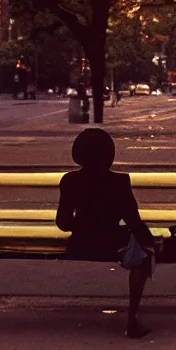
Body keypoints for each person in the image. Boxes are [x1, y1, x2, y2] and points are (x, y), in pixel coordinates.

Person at [56, 128, 156, 338]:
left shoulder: (69, 180)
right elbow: (134, 222)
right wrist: (151, 241)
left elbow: (63, 223)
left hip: (80, 244)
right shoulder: (119, 182)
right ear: (109, 155)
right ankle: (131, 320)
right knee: (143, 260)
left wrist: (82, 224)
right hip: (111, 243)